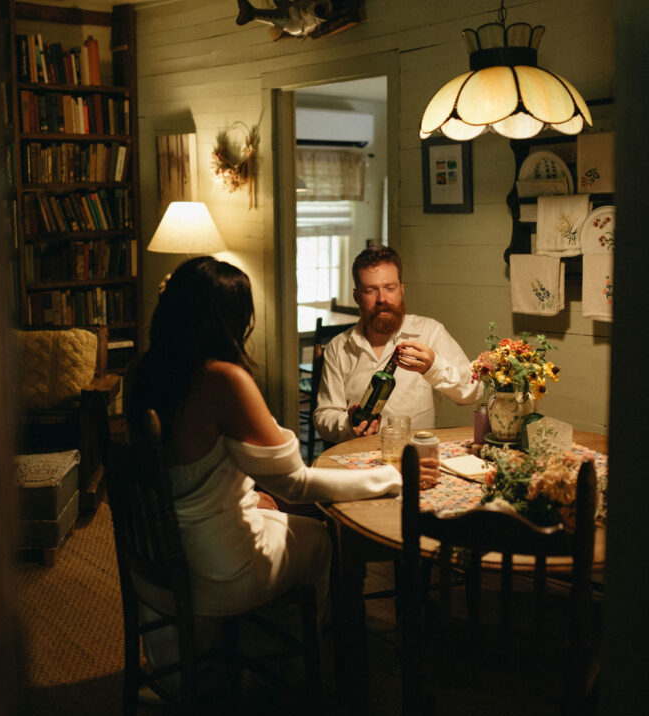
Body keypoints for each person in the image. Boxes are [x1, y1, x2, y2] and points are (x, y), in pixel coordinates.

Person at [128, 256, 441, 631]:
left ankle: (257, 640)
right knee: (324, 539)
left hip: (155, 558)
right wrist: (392, 476)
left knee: (275, 512)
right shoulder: (224, 381)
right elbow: (295, 483)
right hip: (214, 570)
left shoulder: (142, 372)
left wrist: (241, 495)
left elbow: (191, 469)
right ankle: (315, 654)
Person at [313, 245, 481, 444]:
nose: (382, 299)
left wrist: (434, 367)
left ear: (402, 290)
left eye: (390, 288)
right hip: (358, 460)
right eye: (370, 290)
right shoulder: (339, 348)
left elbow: (473, 391)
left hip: (416, 457)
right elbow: (324, 415)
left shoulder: (430, 332)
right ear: (357, 296)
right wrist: (348, 424)